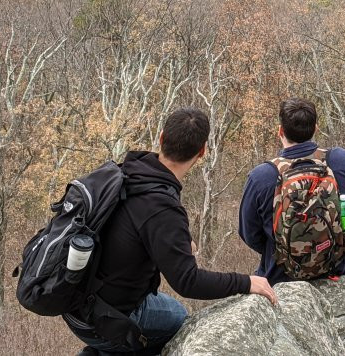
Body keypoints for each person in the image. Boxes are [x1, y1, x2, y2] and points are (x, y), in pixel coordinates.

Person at [64, 108, 277, 356]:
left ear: (162, 137)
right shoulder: (162, 207)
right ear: (202, 152)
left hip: (73, 302)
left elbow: (131, 231)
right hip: (103, 318)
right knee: (178, 317)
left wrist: (178, 240)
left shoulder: (127, 174)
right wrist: (247, 282)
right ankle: (110, 349)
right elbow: (188, 282)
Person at [238, 96, 345, 283]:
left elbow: (250, 235)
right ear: (315, 128)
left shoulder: (261, 177)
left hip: (284, 275)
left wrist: (291, 249)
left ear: (280, 131)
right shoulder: (343, 160)